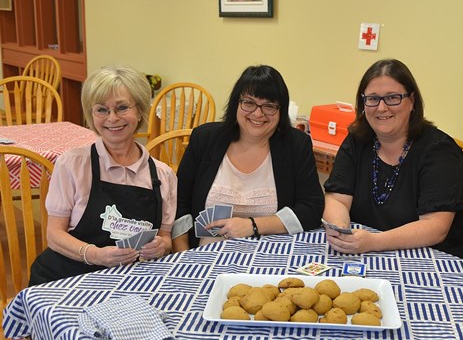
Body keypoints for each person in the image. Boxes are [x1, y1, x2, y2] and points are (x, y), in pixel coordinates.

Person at [29, 66, 177, 285]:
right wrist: (95, 255)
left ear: (141, 111)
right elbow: (54, 235)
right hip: (69, 277)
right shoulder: (73, 164)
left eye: (122, 107)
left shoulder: (163, 175)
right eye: (101, 110)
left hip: (131, 280)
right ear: (91, 114)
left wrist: (162, 246)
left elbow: (166, 238)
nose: (112, 118)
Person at [322, 59, 463, 259]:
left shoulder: (440, 151)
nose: (382, 108)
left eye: (393, 98)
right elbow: (337, 199)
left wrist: (373, 242)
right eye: (373, 99)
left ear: (411, 101)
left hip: (434, 260)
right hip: (366, 253)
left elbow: (435, 228)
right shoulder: (357, 140)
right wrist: (342, 230)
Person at [174, 65, 324, 251]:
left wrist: (252, 226)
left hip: (270, 255)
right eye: (249, 103)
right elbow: (179, 205)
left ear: (281, 110)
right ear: (236, 103)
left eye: (269, 106)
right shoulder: (205, 139)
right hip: (205, 256)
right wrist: (184, 257)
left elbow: (312, 209)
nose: (258, 113)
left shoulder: (296, 145)